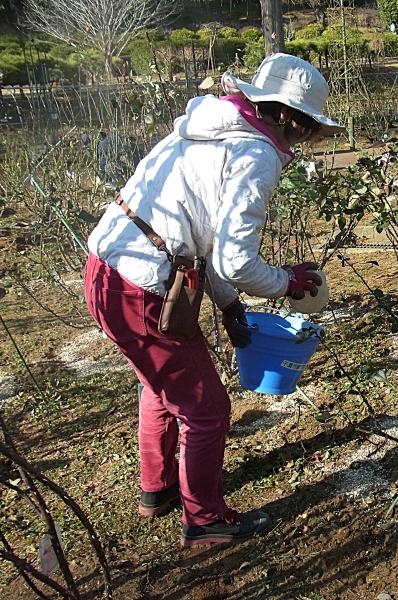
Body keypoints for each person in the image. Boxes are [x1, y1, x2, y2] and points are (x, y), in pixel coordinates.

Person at [84, 53, 341, 548]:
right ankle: (204, 518)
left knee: (161, 386)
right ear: (287, 115)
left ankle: (157, 490)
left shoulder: (206, 129)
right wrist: (286, 281)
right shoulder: (254, 154)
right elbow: (234, 261)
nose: (304, 139)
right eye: (306, 127)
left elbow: (202, 238)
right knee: (206, 408)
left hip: (109, 272)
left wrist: (228, 307)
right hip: (140, 286)